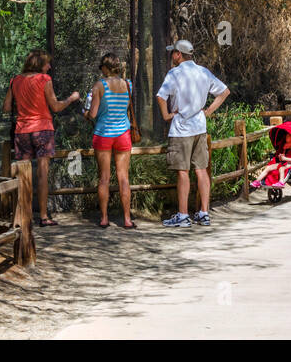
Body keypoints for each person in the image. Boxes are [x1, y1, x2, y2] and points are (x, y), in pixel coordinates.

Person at [157, 39, 230, 227]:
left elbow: (161, 96)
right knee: (201, 170)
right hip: (200, 126)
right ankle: (203, 213)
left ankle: (183, 215)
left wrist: (166, 115)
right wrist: (207, 112)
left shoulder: (174, 73)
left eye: (173, 52)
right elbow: (224, 92)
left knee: (183, 171)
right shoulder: (203, 72)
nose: (172, 56)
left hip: (181, 127)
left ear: (178, 54)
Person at [2, 49, 80, 227]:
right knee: (42, 174)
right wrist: (71, 98)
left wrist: (23, 102)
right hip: (43, 129)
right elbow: (56, 107)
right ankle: (44, 216)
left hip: (22, 131)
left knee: (24, 174)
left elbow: (6, 107)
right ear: (39, 64)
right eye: (47, 63)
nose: (50, 66)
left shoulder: (15, 80)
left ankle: (24, 215)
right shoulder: (44, 80)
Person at [85, 53, 139, 229]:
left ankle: (104, 218)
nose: (100, 71)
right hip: (123, 134)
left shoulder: (99, 86)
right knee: (124, 178)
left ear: (106, 68)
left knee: (104, 178)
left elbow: (92, 114)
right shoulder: (128, 85)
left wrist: (84, 112)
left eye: (101, 67)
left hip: (103, 134)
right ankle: (127, 219)